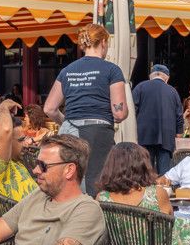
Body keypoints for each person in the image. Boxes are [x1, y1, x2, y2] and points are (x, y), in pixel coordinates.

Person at [44, 23, 128, 191]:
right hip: (97, 132)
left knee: (67, 183)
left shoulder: (67, 70)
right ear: (103, 42)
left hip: (68, 131)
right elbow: (119, 113)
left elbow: (49, 109)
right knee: (95, 186)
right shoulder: (112, 70)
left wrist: (66, 121)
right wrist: (125, 111)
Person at [132, 64, 184, 174]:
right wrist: (179, 133)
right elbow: (179, 115)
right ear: (167, 78)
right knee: (164, 174)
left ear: (151, 76)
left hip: (144, 135)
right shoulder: (173, 91)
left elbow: (132, 111)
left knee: (145, 173)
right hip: (166, 137)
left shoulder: (140, 87)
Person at [0, 99, 38, 201]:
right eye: (21, 140)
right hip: (29, 211)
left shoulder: (19, 161)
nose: (27, 143)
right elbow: (5, 130)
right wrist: (2, 108)